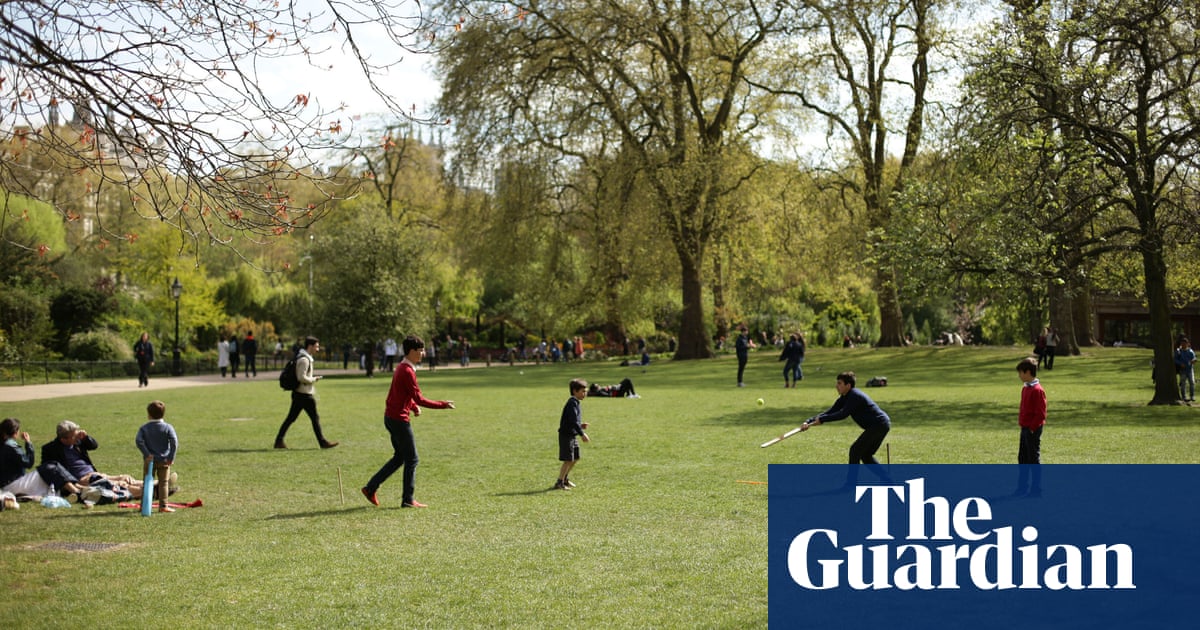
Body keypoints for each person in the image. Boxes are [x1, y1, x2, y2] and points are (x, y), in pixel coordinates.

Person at [362, 335, 455, 508]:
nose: (423, 353)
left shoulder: (402, 368)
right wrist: (442, 405)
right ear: (411, 351)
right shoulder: (406, 371)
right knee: (412, 459)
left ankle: (370, 488)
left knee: (399, 458)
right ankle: (407, 499)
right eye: (420, 350)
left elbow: (401, 395)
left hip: (390, 417)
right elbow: (419, 398)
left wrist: (412, 407)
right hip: (398, 420)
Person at [798, 371, 891, 484]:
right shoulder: (844, 398)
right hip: (880, 424)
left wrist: (822, 420)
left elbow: (842, 414)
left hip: (878, 424)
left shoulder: (854, 396)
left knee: (855, 450)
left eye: (839, 383)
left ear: (848, 385)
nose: (836, 386)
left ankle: (851, 484)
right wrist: (808, 421)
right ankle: (886, 479)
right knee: (865, 455)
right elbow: (830, 412)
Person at [40, 420, 144, 494]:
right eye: (73, 436)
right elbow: (50, 470)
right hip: (81, 479)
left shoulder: (77, 441)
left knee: (124, 477)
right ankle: (147, 492)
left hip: (93, 474)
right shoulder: (50, 449)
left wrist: (86, 438)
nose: (77, 438)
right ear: (63, 439)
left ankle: (155, 485)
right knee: (117, 483)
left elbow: (94, 446)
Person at [1, 418, 90, 503]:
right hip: (12, 485)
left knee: (51, 467)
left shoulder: (4, 445)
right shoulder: (10, 446)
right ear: (15, 432)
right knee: (50, 467)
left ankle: (77, 488)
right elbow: (28, 463)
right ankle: (77, 492)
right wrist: (28, 443)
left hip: (8, 484)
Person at [274, 336, 339, 450]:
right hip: (304, 394)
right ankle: (322, 442)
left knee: (291, 418)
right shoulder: (304, 360)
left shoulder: (305, 358)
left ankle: (279, 441)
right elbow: (301, 377)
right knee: (314, 418)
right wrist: (314, 379)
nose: (318, 349)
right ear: (310, 346)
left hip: (300, 393)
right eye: (316, 346)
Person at [136, 400, 179, 513]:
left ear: (149, 414)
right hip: (164, 460)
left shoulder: (144, 428)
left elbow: (139, 441)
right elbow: (174, 442)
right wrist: (171, 457)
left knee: (147, 482)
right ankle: (163, 506)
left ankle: (143, 506)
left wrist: (147, 454)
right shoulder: (168, 427)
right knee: (163, 483)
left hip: (149, 460)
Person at [1014, 357, 1046, 496]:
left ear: (1028, 372)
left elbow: (1041, 413)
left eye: (1021, 373)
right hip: (1024, 428)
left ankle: (1036, 488)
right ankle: (1022, 487)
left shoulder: (1038, 390)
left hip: (1032, 429)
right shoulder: (1025, 388)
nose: (1019, 376)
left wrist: (1032, 428)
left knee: (1033, 459)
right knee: (1022, 458)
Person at [555, 378, 590, 490]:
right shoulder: (572, 403)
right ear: (575, 391)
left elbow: (573, 421)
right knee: (568, 459)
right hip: (566, 435)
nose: (584, 394)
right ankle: (559, 482)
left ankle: (565, 478)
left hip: (572, 434)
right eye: (582, 391)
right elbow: (573, 421)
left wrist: (580, 425)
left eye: (585, 391)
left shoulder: (576, 403)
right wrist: (582, 433)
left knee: (575, 457)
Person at [1176, 337, 1196, 402]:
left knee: (1192, 382)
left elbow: (1194, 358)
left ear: (1187, 344)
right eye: (1182, 343)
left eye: (1185, 343)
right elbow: (1175, 359)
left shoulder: (1190, 351)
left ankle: (1192, 396)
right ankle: (1184, 397)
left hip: (1190, 370)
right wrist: (1180, 364)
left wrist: (1193, 361)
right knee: (1183, 384)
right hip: (1182, 370)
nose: (1184, 345)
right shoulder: (1179, 351)